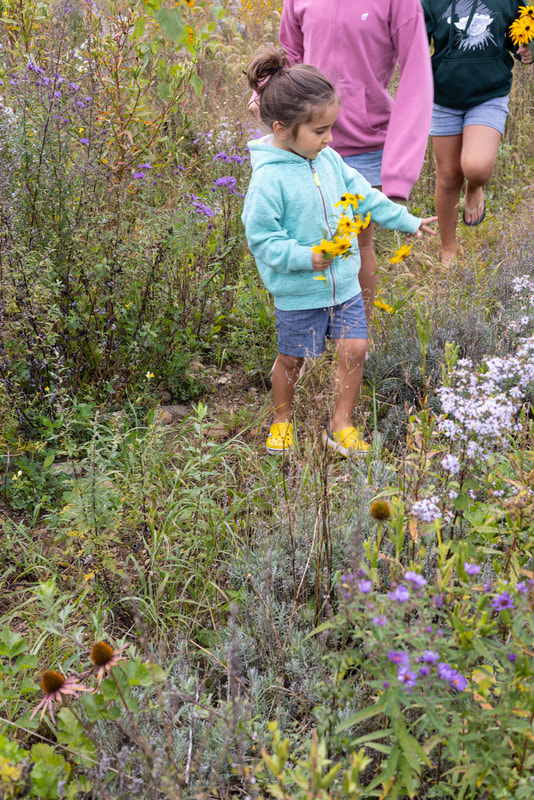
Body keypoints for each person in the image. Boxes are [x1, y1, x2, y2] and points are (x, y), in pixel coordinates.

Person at [242, 46, 437, 457]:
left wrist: (407, 220)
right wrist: (305, 257)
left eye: (331, 128)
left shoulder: (328, 160)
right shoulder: (268, 181)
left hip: (344, 283)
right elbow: (262, 238)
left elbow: (364, 196)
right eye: (319, 131)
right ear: (281, 129)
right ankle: (281, 420)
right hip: (300, 292)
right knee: (293, 360)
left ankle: (340, 424)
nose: (329, 138)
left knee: (355, 349)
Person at [270, 0, 434, 326]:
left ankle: (357, 338)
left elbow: (417, 75)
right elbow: (288, 58)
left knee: (358, 244)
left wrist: (398, 174)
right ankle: (308, 336)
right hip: (306, 145)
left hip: (366, 145)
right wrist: (266, 104)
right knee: (307, 242)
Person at [422, 0, 533, 265]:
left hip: (489, 94)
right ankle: (448, 249)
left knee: (477, 167)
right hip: (443, 96)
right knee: (448, 176)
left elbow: (521, 32)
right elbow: (413, 40)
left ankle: (475, 186)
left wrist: (527, 50)